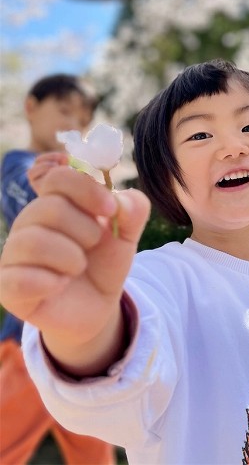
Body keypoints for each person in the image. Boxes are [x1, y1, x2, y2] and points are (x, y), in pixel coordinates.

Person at [0, 59, 249, 465]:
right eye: (199, 134)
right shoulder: (158, 280)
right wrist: (85, 335)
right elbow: (121, 377)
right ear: (164, 176)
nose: (233, 146)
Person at [0, 73, 117, 465]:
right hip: (29, 339)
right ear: (31, 108)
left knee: (94, 452)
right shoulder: (19, 165)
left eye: (82, 119)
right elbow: (28, 196)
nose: (73, 124)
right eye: (63, 110)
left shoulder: (85, 176)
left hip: (85, 345)